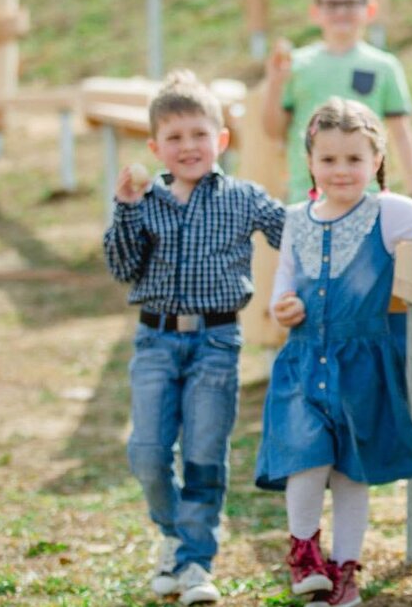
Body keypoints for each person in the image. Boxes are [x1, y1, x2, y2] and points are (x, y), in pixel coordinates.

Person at [254, 98, 412, 606]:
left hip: (364, 367)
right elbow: (284, 278)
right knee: (304, 457)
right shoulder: (295, 218)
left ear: (376, 160)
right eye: (329, 159)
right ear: (310, 161)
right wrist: (280, 305)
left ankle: (345, 567)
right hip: (304, 360)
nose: (342, 170)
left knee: (352, 472)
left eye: (354, 159)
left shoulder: (387, 212)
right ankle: (304, 550)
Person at [102, 70, 286, 606]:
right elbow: (121, 266)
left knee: (205, 452)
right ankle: (174, 534)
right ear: (156, 147)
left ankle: (196, 562)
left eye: (199, 135)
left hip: (216, 343)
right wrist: (125, 210)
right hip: (155, 342)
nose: (189, 147)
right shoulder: (146, 200)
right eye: (175, 138)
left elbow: (296, 232)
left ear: (221, 140)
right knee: (148, 452)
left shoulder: (244, 198)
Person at [262, 0, 412, 203]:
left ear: (369, 10)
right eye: (331, 4)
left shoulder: (384, 66)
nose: (341, 12)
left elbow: (401, 133)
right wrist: (275, 84)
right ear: (315, 12)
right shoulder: (296, 65)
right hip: (306, 194)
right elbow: (274, 131)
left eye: (350, 3)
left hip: (367, 194)